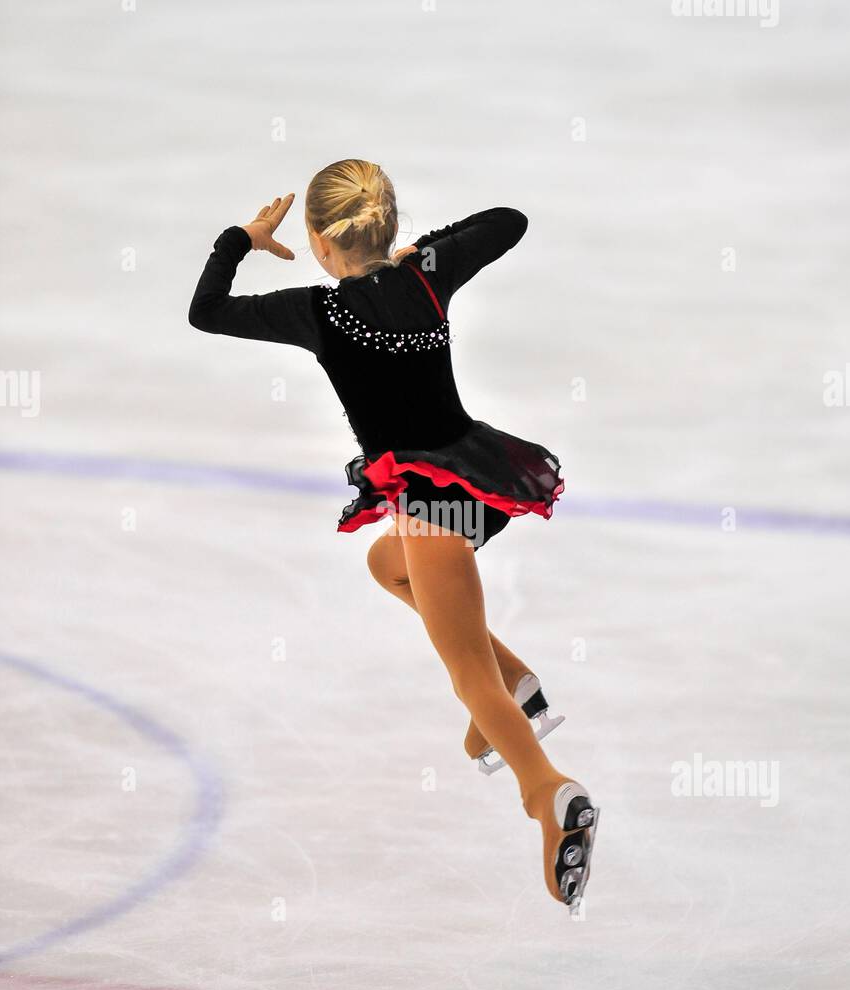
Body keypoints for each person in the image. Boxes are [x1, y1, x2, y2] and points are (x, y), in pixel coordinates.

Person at [188, 159, 598, 908]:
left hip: (427, 500)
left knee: (463, 671)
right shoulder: (425, 277)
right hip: (482, 481)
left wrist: (240, 240)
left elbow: (206, 311)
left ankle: (547, 792)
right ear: (388, 224)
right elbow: (508, 218)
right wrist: (423, 252)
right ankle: (516, 685)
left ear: (317, 241)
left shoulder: (315, 310)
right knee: (387, 565)